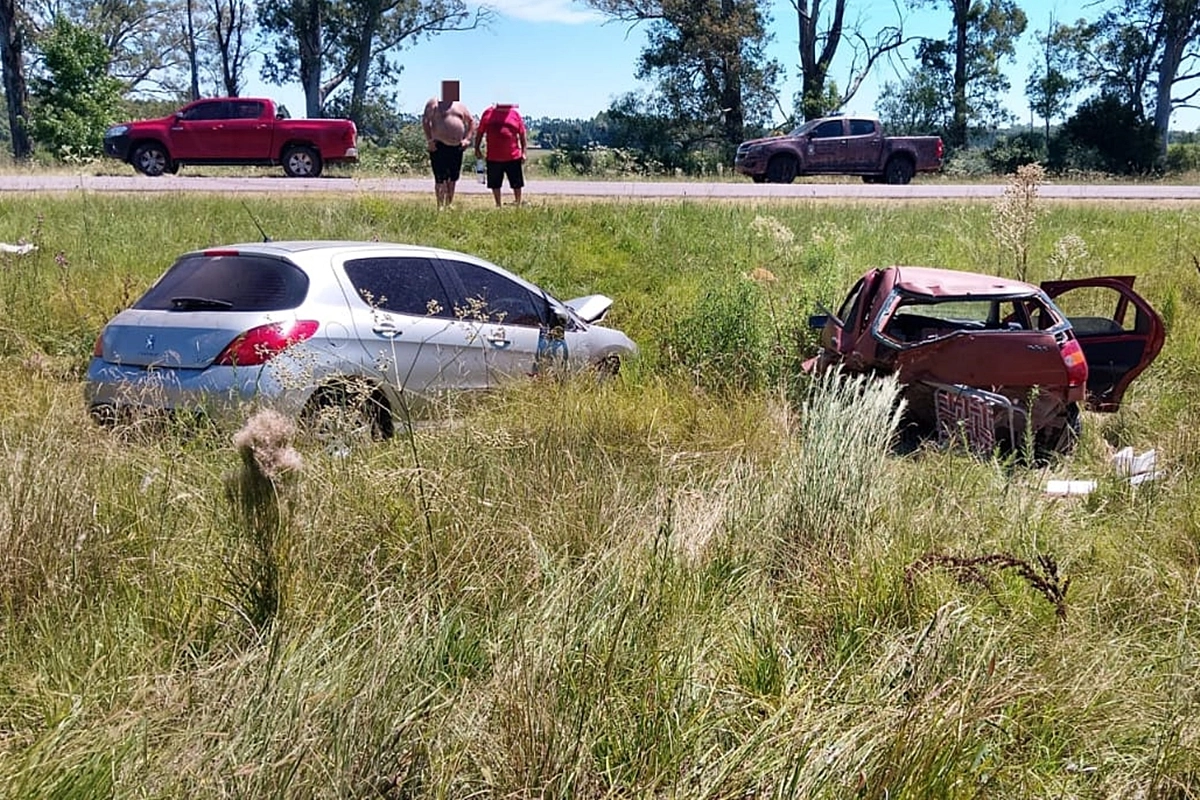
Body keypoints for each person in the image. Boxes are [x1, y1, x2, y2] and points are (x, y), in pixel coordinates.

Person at [422, 80, 474, 209]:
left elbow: (472, 122)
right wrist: (429, 140)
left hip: (457, 146)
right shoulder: (434, 104)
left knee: (453, 178)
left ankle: (449, 204)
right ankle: (440, 206)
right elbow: (425, 121)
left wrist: (467, 139)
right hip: (439, 145)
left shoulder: (460, 106)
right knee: (440, 178)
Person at [474, 103, 527, 207]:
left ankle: (518, 203)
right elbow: (480, 132)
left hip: (513, 156)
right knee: (495, 183)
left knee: (517, 183)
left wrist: (524, 152)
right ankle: (498, 204)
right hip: (493, 156)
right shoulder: (488, 113)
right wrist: (477, 148)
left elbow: (522, 134)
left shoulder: (515, 114)